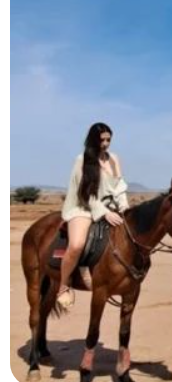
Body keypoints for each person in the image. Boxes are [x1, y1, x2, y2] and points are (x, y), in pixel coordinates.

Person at [56, 122, 128, 297]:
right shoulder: (82, 160)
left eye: (108, 140)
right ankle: (63, 285)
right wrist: (104, 212)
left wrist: (125, 207)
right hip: (84, 207)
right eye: (101, 140)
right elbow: (86, 193)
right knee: (77, 244)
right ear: (93, 140)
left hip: (111, 208)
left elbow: (119, 187)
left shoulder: (114, 159)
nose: (105, 144)